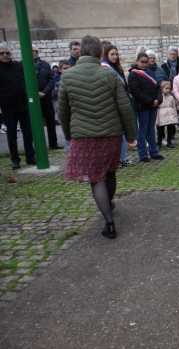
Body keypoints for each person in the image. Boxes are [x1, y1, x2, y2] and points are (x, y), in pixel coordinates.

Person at [59, 34, 136, 239]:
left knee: (96, 178)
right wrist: (131, 135)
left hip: (84, 137)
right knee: (109, 172)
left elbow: (63, 112)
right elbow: (124, 107)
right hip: (110, 134)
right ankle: (109, 204)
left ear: (80, 52)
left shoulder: (67, 76)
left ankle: (109, 222)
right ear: (101, 53)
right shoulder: (109, 75)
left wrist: (69, 135)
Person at [0, 42, 36, 169]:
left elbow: (26, 81)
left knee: (28, 132)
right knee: (11, 134)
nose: (5, 55)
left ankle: (30, 156)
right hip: (8, 107)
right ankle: (15, 159)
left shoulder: (18, 66)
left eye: (7, 53)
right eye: (2, 53)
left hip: (23, 105)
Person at [101, 44, 134, 167]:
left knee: (123, 132)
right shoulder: (105, 68)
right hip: (112, 104)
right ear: (106, 55)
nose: (115, 57)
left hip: (122, 100)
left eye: (116, 54)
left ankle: (121, 158)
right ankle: (114, 159)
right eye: (112, 54)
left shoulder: (118, 68)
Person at [128, 52, 164, 163]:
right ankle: (143, 154)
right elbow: (136, 91)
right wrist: (150, 101)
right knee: (142, 130)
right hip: (142, 106)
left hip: (153, 105)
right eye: (142, 62)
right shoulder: (133, 74)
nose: (144, 64)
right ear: (137, 62)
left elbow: (157, 87)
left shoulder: (150, 73)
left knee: (151, 130)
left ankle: (154, 152)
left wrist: (158, 99)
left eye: (146, 62)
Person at [33, 44, 62, 149]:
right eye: (33, 51)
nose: (35, 53)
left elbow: (51, 80)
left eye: (36, 51)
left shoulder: (44, 64)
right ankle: (38, 145)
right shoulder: (23, 64)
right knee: (36, 122)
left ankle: (53, 142)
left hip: (45, 97)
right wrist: (35, 92)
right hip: (33, 98)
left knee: (50, 120)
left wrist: (44, 92)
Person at [54, 60, 71, 151]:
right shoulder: (59, 83)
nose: (67, 70)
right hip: (63, 108)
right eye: (65, 68)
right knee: (66, 128)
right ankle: (69, 149)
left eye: (69, 68)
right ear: (60, 70)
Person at [156, 80, 178, 148]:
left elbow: (173, 106)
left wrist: (175, 116)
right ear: (161, 89)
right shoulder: (159, 97)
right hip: (161, 115)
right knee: (160, 130)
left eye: (169, 89)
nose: (168, 90)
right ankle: (159, 141)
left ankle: (169, 141)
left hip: (170, 114)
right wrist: (156, 119)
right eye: (166, 88)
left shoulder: (171, 97)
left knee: (170, 128)